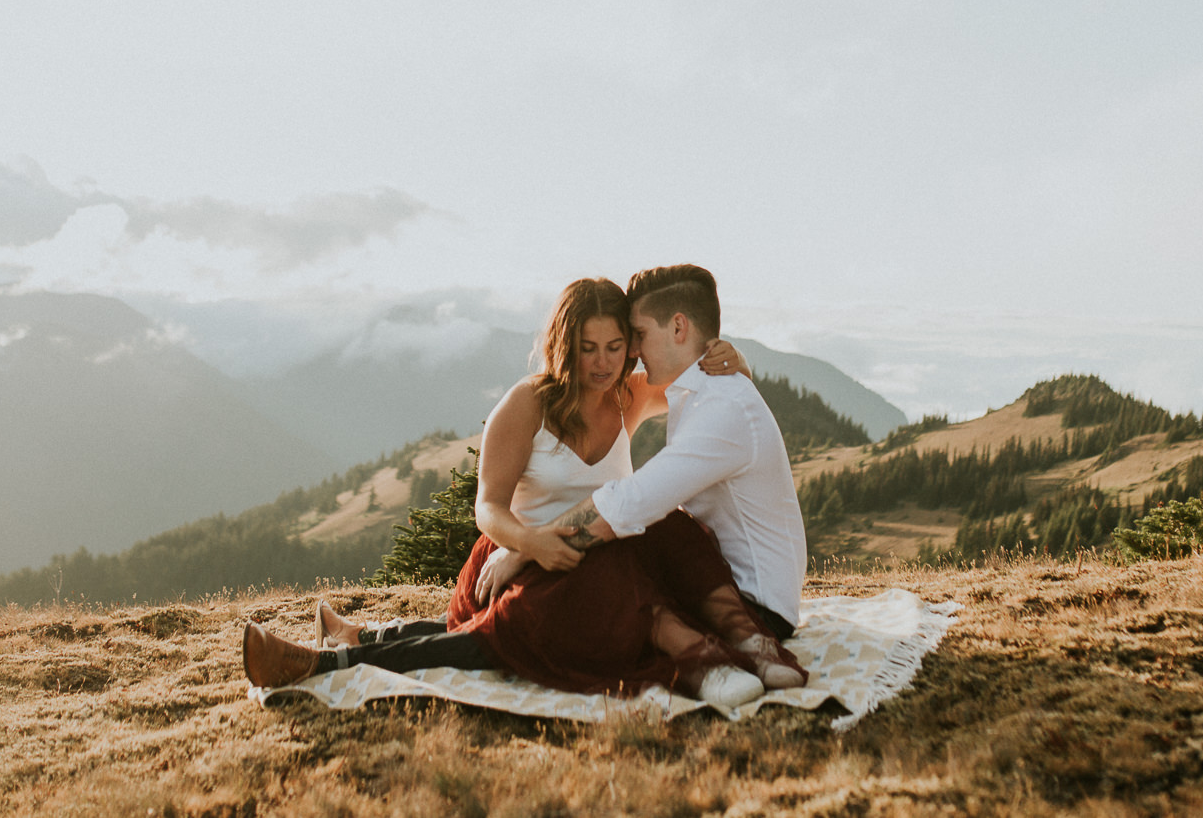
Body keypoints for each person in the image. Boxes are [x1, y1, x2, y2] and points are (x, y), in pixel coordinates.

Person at [242, 275, 802, 705]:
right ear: (566, 344)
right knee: (523, 624)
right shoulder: (526, 403)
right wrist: (526, 545)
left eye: (616, 347)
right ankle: (323, 666)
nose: (604, 363)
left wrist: (736, 360)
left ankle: (361, 634)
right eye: (589, 348)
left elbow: (697, 390)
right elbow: (488, 507)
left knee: (646, 554)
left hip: (601, 554)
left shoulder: (630, 395)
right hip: (521, 551)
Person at [531, 264, 808, 643]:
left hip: (751, 609)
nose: (632, 350)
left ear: (679, 328)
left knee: (594, 597)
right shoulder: (698, 394)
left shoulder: (721, 408)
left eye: (639, 334)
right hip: (715, 585)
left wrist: (525, 549)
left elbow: (631, 502)